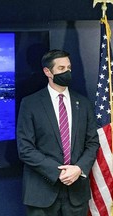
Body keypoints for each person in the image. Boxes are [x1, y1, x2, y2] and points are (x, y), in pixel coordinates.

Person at [17, 49, 100, 216]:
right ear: (48, 72)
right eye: (61, 68)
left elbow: (92, 142)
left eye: (69, 67)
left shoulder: (83, 103)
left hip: (76, 194)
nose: (67, 72)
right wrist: (58, 172)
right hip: (42, 192)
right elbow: (25, 148)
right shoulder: (30, 104)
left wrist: (78, 168)